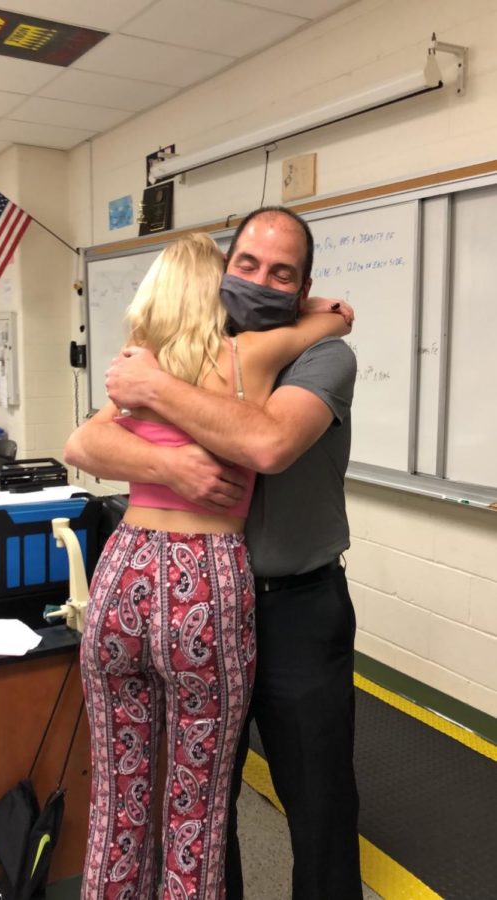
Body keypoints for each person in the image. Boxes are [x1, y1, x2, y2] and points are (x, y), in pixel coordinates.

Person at [68, 229, 351, 900]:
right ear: (220, 289)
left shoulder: (144, 365)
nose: (255, 283)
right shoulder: (244, 356)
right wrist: (176, 465)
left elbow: (272, 442)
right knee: (197, 802)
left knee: (119, 793)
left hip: (125, 569)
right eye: (243, 268)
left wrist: (156, 409)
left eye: (278, 273)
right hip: (205, 582)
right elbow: (336, 316)